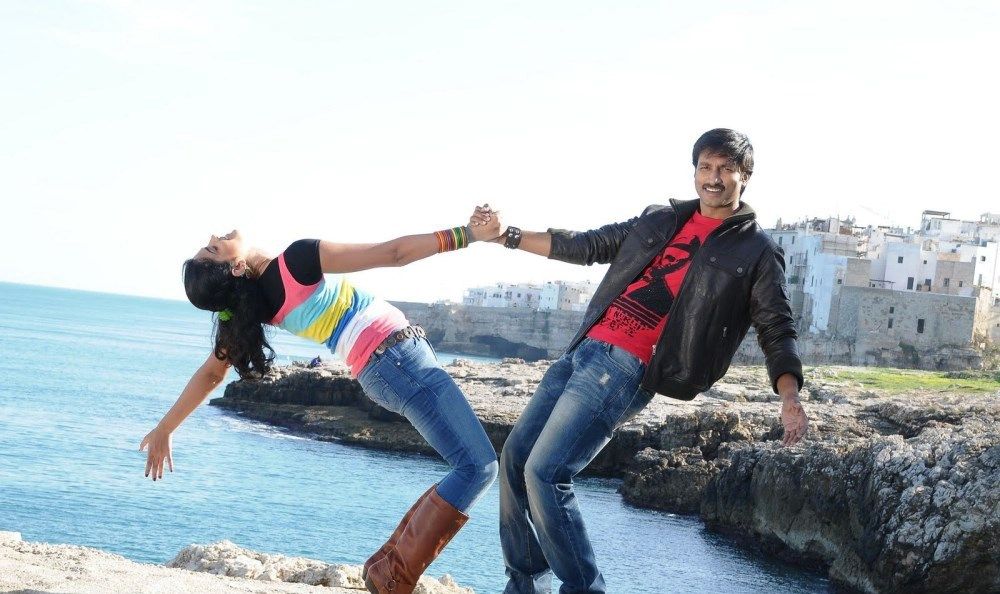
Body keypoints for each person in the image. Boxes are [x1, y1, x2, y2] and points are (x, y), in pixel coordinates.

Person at [472, 129, 809, 593]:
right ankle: (525, 582)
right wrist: (504, 236)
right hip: (583, 349)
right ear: (694, 171)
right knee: (515, 459)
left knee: (546, 473)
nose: (713, 178)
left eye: (725, 169)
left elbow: (777, 326)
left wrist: (789, 395)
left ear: (744, 176)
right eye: (705, 167)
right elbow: (587, 245)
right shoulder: (659, 218)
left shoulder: (757, 251)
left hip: (626, 367)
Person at [139, 211, 503, 594]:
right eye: (213, 248)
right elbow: (393, 253)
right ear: (237, 267)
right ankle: (393, 577)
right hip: (397, 361)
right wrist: (468, 234)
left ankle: (386, 566)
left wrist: (166, 428)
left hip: (387, 369)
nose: (216, 235)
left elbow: (211, 374)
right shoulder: (296, 261)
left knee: (479, 464)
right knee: (478, 467)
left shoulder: (261, 302)